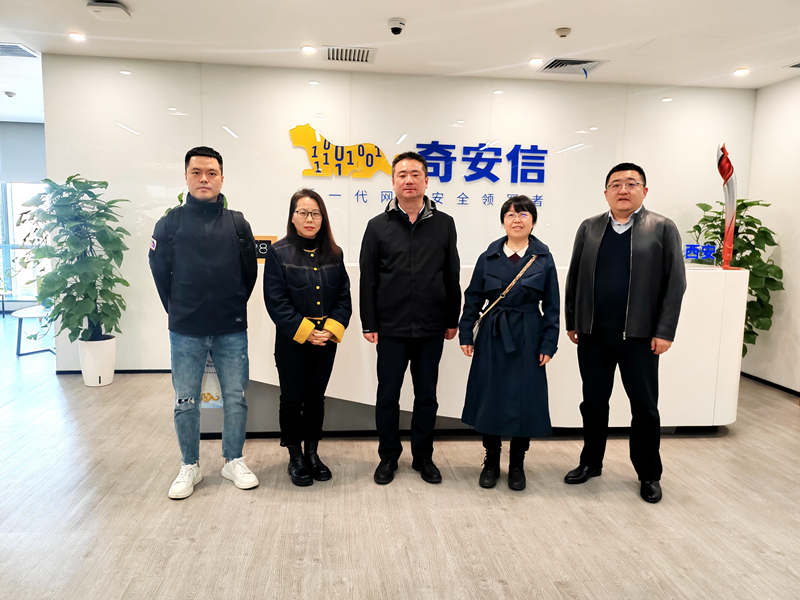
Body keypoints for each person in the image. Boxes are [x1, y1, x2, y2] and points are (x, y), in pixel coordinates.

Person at [564, 162, 686, 503]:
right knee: (593, 403)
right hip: (593, 334)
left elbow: (675, 284)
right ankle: (591, 462)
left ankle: (649, 473)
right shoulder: (589, 228)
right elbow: (574, 277)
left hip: (640, 336)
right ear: (605, 192)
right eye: (616, 184)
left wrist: (665, 331)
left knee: (644, 408)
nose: (623, 190)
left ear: (644, 191)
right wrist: (573, 321)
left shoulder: (662, 228)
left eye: (631, 183)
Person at [149, 146, 259, 499]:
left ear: (222, 179)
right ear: (186, 177)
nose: (204, 179)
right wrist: (179, 309)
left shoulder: (238, 223)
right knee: (185, 401)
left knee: (235, 398)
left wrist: (231, 306)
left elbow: (249, 275)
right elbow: (160, 274)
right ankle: (190, 465)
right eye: (196, 172)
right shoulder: (169, 224)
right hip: (185, 330)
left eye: (211, 173)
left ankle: (233, 460)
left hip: (231, 328)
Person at [359, 151, 461, 485]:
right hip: (391, 327)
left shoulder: (444, 224)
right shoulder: (377, 226)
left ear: (426, 181)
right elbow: (368, 278)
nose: (409, 180)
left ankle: (423, 457)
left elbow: (452, 274)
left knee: (426, 396)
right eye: (402, 174)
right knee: (387, 396)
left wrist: (452, 319)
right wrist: (369, 322)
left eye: (415, 174)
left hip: (431, 326)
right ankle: (388, 456)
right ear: (393, 182)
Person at [458, 196, 559, 491]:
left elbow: (552, 306)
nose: (517, 219)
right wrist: (466, 334)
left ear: (533, 221)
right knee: (490, 398)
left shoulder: (543, 258)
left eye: (524, 214)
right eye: (511, 214)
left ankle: (517, 463)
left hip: (529, 334)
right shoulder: (488, 257)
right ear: (503, 221)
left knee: (525, 400)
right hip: (492, 335)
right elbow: (472, 298)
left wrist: (548, 344)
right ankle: (491, 460)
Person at [263, 189, 352, 487]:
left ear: (322, 217)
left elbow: (343, 297)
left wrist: (331, 329)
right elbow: (276, 301)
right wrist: (306, 332)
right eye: (303, 212)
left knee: (315, 399)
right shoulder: (278, 252)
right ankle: (295, 456)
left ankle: (312, 453)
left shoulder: (335, 253)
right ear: (293, 217)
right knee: (292, 399)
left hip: (325, 340)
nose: (309, 219)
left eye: (315, 213)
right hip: (292, 341)